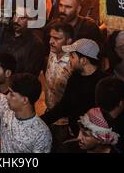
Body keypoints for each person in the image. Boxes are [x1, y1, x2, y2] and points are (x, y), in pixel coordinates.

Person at [41, 39, 109, 138]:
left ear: (83, 60)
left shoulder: (104, 84)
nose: (69, 60)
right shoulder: (75, 77)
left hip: (93, 140)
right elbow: (64, 106)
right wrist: (40, 121)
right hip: (75, 134)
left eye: (72, 56)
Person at [43, 19, 74, 152]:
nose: (51, 41)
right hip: (49, 114)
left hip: (65, 123)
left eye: (57, 38)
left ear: (69, 41)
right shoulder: (52, 53)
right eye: (51, 37)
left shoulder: (73, 63)